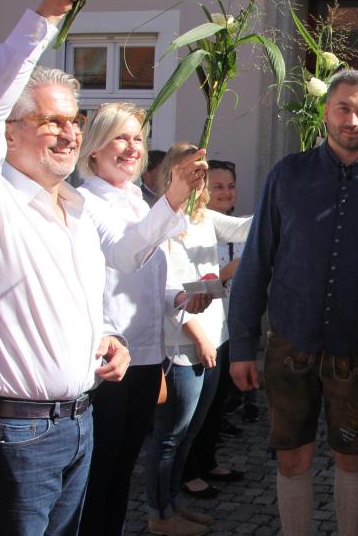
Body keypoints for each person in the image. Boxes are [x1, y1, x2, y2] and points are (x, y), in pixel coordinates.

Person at [0, 0, 203, 534]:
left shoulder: (77, 210)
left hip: (79, 419)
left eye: (74, 119)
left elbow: (102, 281)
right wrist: (45, 17)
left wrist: (106, 339)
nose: (68, 131)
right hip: (17, 431)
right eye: (50, 120)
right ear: (8, 133)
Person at [228, 69, 358, 536]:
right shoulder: (287, 175)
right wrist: (241, 346)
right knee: (292, 455)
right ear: (326, 111)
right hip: (289, 345)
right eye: (344, 107)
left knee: (351, 457)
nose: (352, 119)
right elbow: (256, 264)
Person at [74, 103, 208, 536]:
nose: (132, 147)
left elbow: (153, 274)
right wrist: (172, 199)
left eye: (137, 138)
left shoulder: (136, 199)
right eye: (120, 137)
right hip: (110, 361)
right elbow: (125, 255)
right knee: (98, 474)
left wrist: (180, 296)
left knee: (121, 471)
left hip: (149, 356)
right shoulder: (85, 200)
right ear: (94, 149)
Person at [145, 143, 252, 535]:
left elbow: (247, 227)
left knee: (190, 433)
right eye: (191, 170)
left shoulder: (203, 215)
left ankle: (173, 503)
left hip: (213, 336)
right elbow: (168, 290)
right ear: (171, 174)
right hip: (184, 345)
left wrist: (289, 200)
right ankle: (159, 514)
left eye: (200, 171)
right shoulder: (163, 221)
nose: (199, 178)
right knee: (169, 436)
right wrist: (222, 279)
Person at [181, 159, 247, 499]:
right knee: (189, 414)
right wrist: (227, 274)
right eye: (216, 185)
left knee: (215, 404)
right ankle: (186, 472)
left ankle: (207, 461)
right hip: (195, 332)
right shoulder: (183, 223)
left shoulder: (218, 222)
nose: (225, 192)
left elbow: (255, 226)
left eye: (229, 185)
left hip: (224, 329)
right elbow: (182, 291)